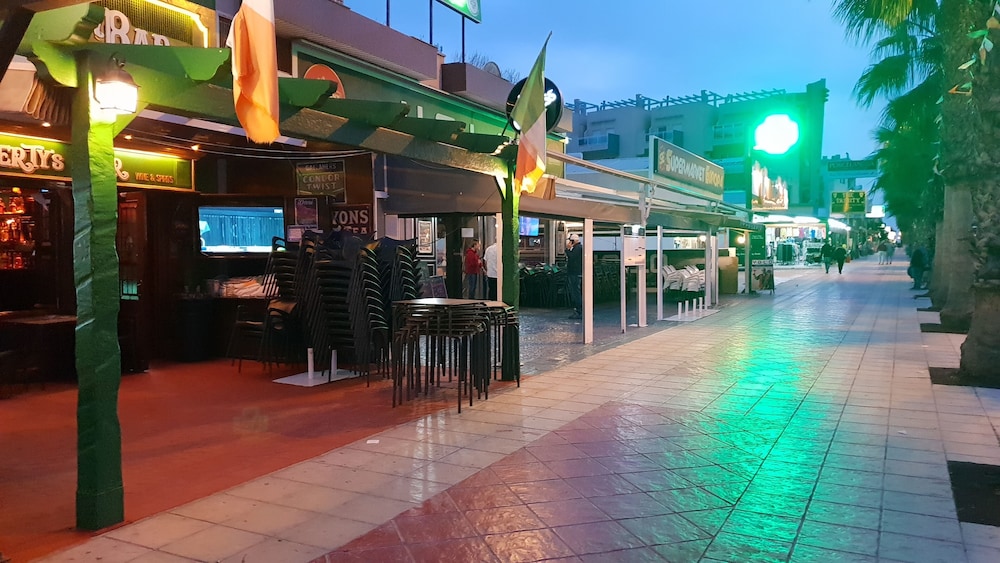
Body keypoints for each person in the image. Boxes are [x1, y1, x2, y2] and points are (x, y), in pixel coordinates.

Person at [565, 233, 583, 319]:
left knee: (575, 291)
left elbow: (571, 257)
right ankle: (579, 310)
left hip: (574, 273)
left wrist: (568, 249)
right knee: (576, 291)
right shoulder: (579, 248)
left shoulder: (577, 248)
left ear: (573, 241)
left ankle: (578, 310)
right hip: (577, 272)